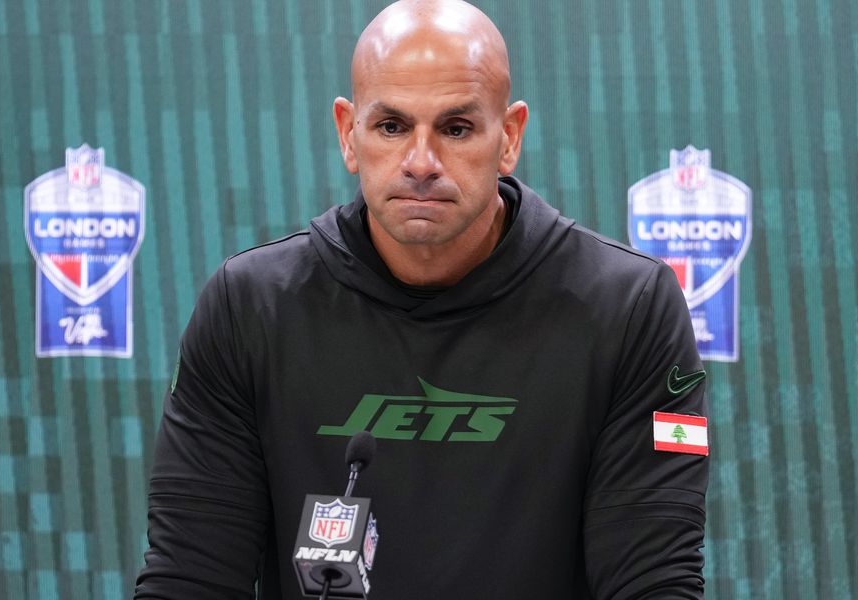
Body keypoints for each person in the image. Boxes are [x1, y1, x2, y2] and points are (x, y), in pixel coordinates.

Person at [135, 0, 708, 598]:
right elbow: (190, 575)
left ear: (508, 136)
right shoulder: (250, 307)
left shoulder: (628, 308)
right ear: (347, 133)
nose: (421, 163)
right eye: (392, 127)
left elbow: (653, 580)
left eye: (456, 129)